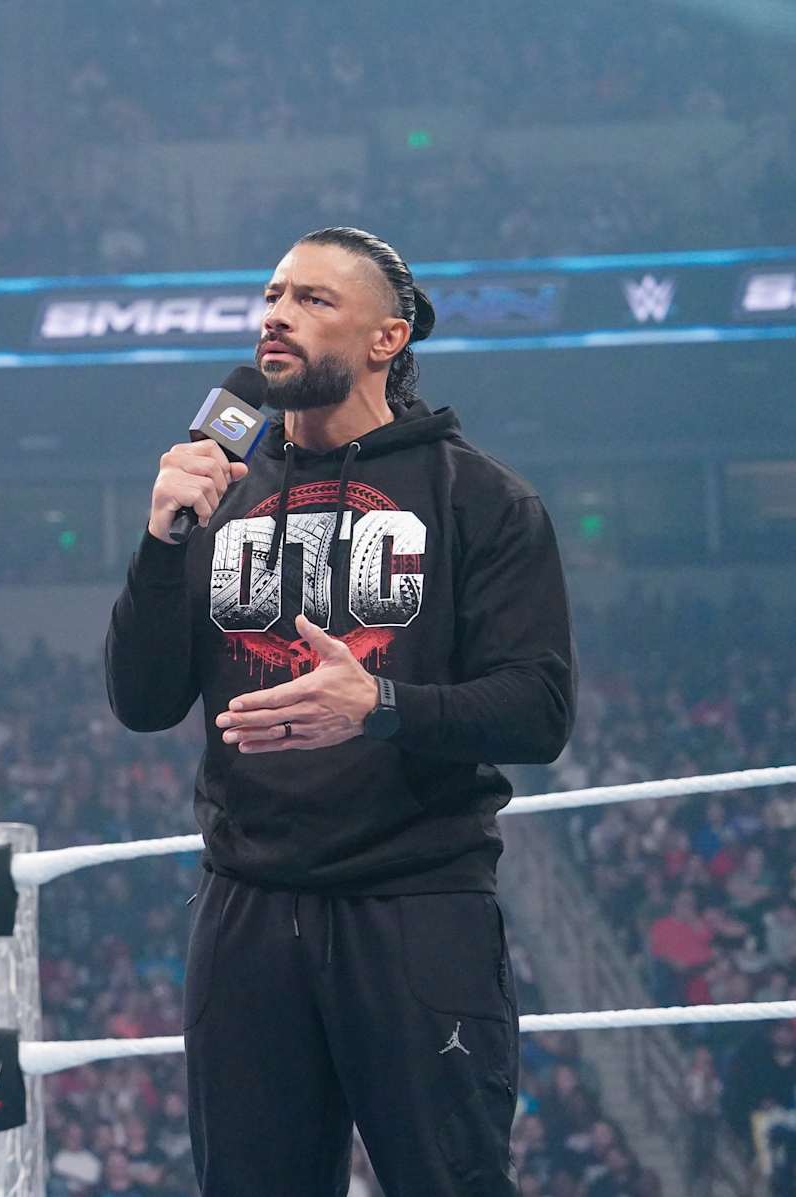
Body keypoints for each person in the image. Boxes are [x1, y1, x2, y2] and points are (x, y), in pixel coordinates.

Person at [105, 227, 577, 1193]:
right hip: (246, 908)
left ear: (386, 339)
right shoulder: (220, 487)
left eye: (314, 299)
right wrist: (160, 542)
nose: (276, 313)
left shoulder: (478, 498)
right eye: (272, 293)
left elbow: (539, 710)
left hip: (412, 904)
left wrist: (382, 704)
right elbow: (143, 701)